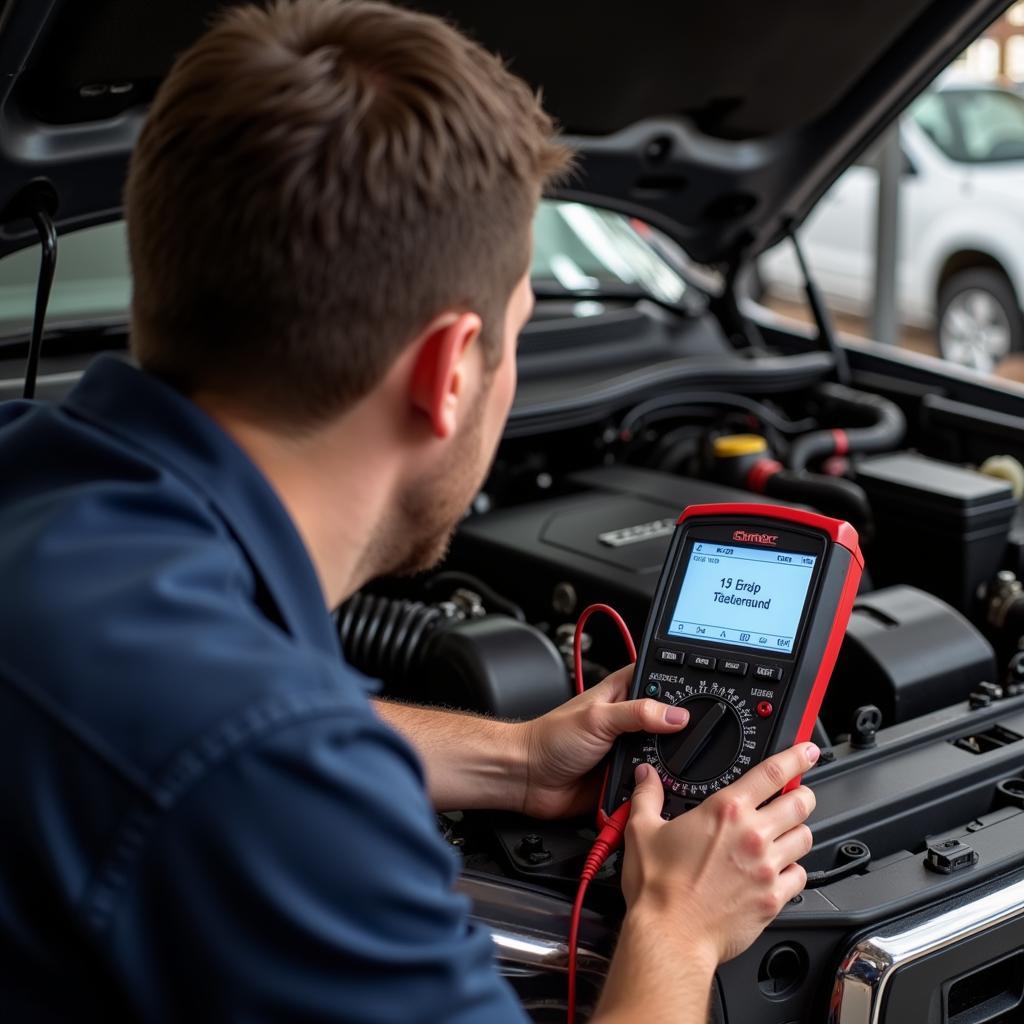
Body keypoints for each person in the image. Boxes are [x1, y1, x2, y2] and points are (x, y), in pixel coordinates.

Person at [0, 1, 817, 1021]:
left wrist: (513, 762)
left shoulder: (29, 474)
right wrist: (677, 929)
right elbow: (242, 755)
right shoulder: (288, 797)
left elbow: (188, 726)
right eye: (516, 335)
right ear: (445, 370)